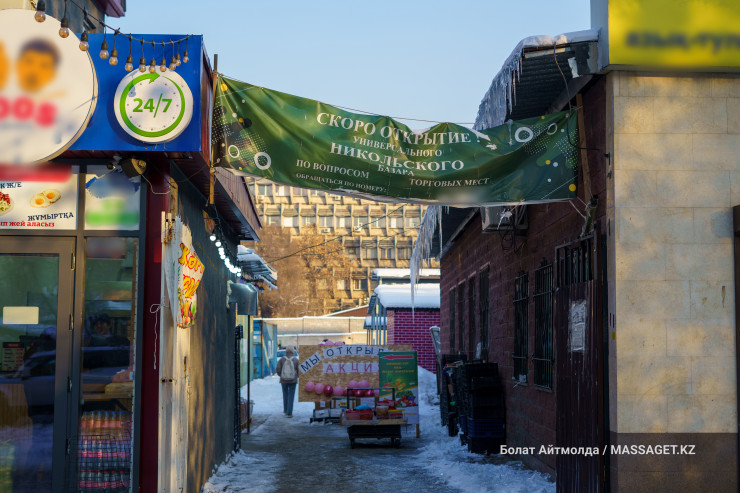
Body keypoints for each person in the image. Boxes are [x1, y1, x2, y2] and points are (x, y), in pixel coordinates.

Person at [276, 347, 299, 417]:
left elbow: (278, 369)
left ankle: (285, 410)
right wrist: (296, 376)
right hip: (293, 381)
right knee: (291, 396)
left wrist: (281, 375)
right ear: (292, 351)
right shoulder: (296, 360)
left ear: (286, 351)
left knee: (285, 395)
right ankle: (289, 412)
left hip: (283, 380)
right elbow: (299, 370)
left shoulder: (281, 359)